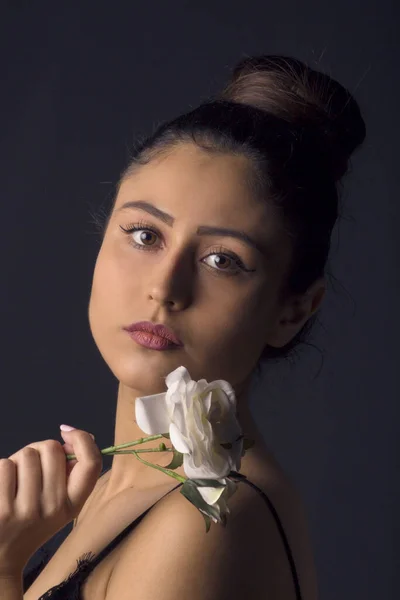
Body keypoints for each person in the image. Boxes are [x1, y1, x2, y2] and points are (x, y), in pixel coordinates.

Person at [3, 54, 365, 600]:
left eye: (223, 260)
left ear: (293, 310)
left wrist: (4, 567)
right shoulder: (109, 490)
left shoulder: (206, 520)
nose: (165, 288)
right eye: (145, 235)